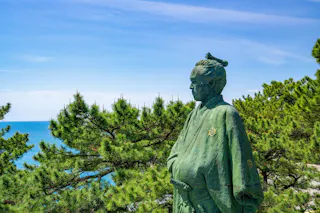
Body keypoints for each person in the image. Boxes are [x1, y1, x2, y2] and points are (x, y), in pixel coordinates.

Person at [167, 53, 264, 213]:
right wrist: (177, 165)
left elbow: (239, 161)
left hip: (208, 204)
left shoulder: (226, 113)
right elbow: (176, 150)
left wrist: (196, 169)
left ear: (212, 84)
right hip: (183, 200)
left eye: (194, 82)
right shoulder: (193, 114)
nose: (190, 87)